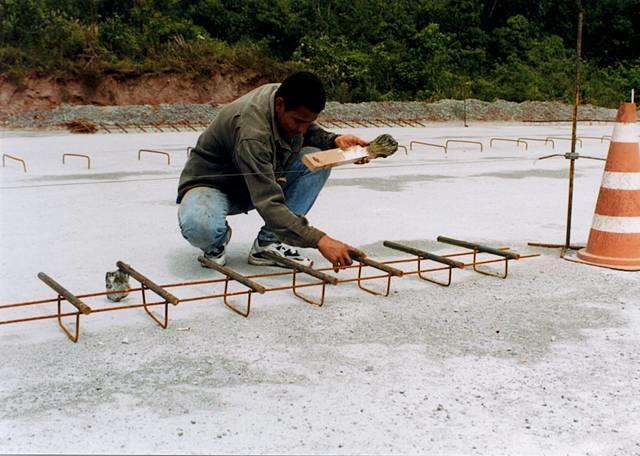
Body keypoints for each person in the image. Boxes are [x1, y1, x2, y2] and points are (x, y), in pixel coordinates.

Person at [177, 71, 368, 270]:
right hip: (215, 184)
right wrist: (320, 240)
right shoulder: (253, 134)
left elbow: (307, 130)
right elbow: (268, 202)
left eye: (308, 122)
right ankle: (216, 242)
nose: (302, 129)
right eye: (298, 121)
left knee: (316, 160)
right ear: (280, 105)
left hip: (259, 176)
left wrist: (333, 141)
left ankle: (268, 244)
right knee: (200, 226)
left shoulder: (286, 95)